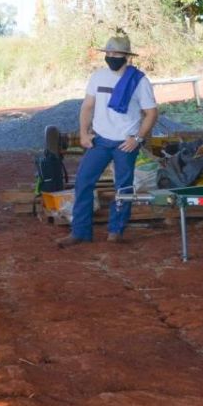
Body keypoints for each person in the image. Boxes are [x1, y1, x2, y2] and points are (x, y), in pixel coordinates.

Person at [55, 31, 158, 247]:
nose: (111, 56)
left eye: (116, 53)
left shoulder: (139, 81)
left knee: (123, 188)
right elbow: (87, 106)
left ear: (126, 56)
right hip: (100, 140)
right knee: (83, 181)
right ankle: (80, 231)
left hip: (125, 143)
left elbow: (151, 113)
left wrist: (138, 139)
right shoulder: (97, 77)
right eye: (109, 52)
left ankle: (116, 231)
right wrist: (84, 133)